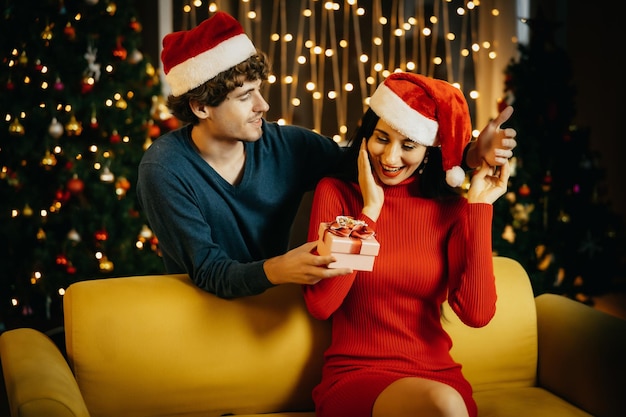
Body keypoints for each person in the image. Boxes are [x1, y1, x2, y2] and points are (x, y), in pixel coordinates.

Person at [136, 11, 516, 299]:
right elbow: (208, 272)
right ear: (201, 107)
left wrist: (465, 154)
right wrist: (279, 269)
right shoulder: (164, 168)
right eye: (244, 96)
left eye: (259, 89)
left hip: (270, 304)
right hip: (201, 310)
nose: (263, 105)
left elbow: (377, 161)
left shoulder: (288, 146)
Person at [302, 72, 512, 417]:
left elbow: (477, 314)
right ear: (366, 136)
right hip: (357, 378)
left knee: (444, 403)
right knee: (442, 405)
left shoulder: (451, 209)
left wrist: (479, 206)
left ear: (428, 151)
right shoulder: (336, 193)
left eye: (408, 145)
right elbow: (322, 304)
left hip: (439, 377)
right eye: (381, 138)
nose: (390, 157)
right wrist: (369, 213)